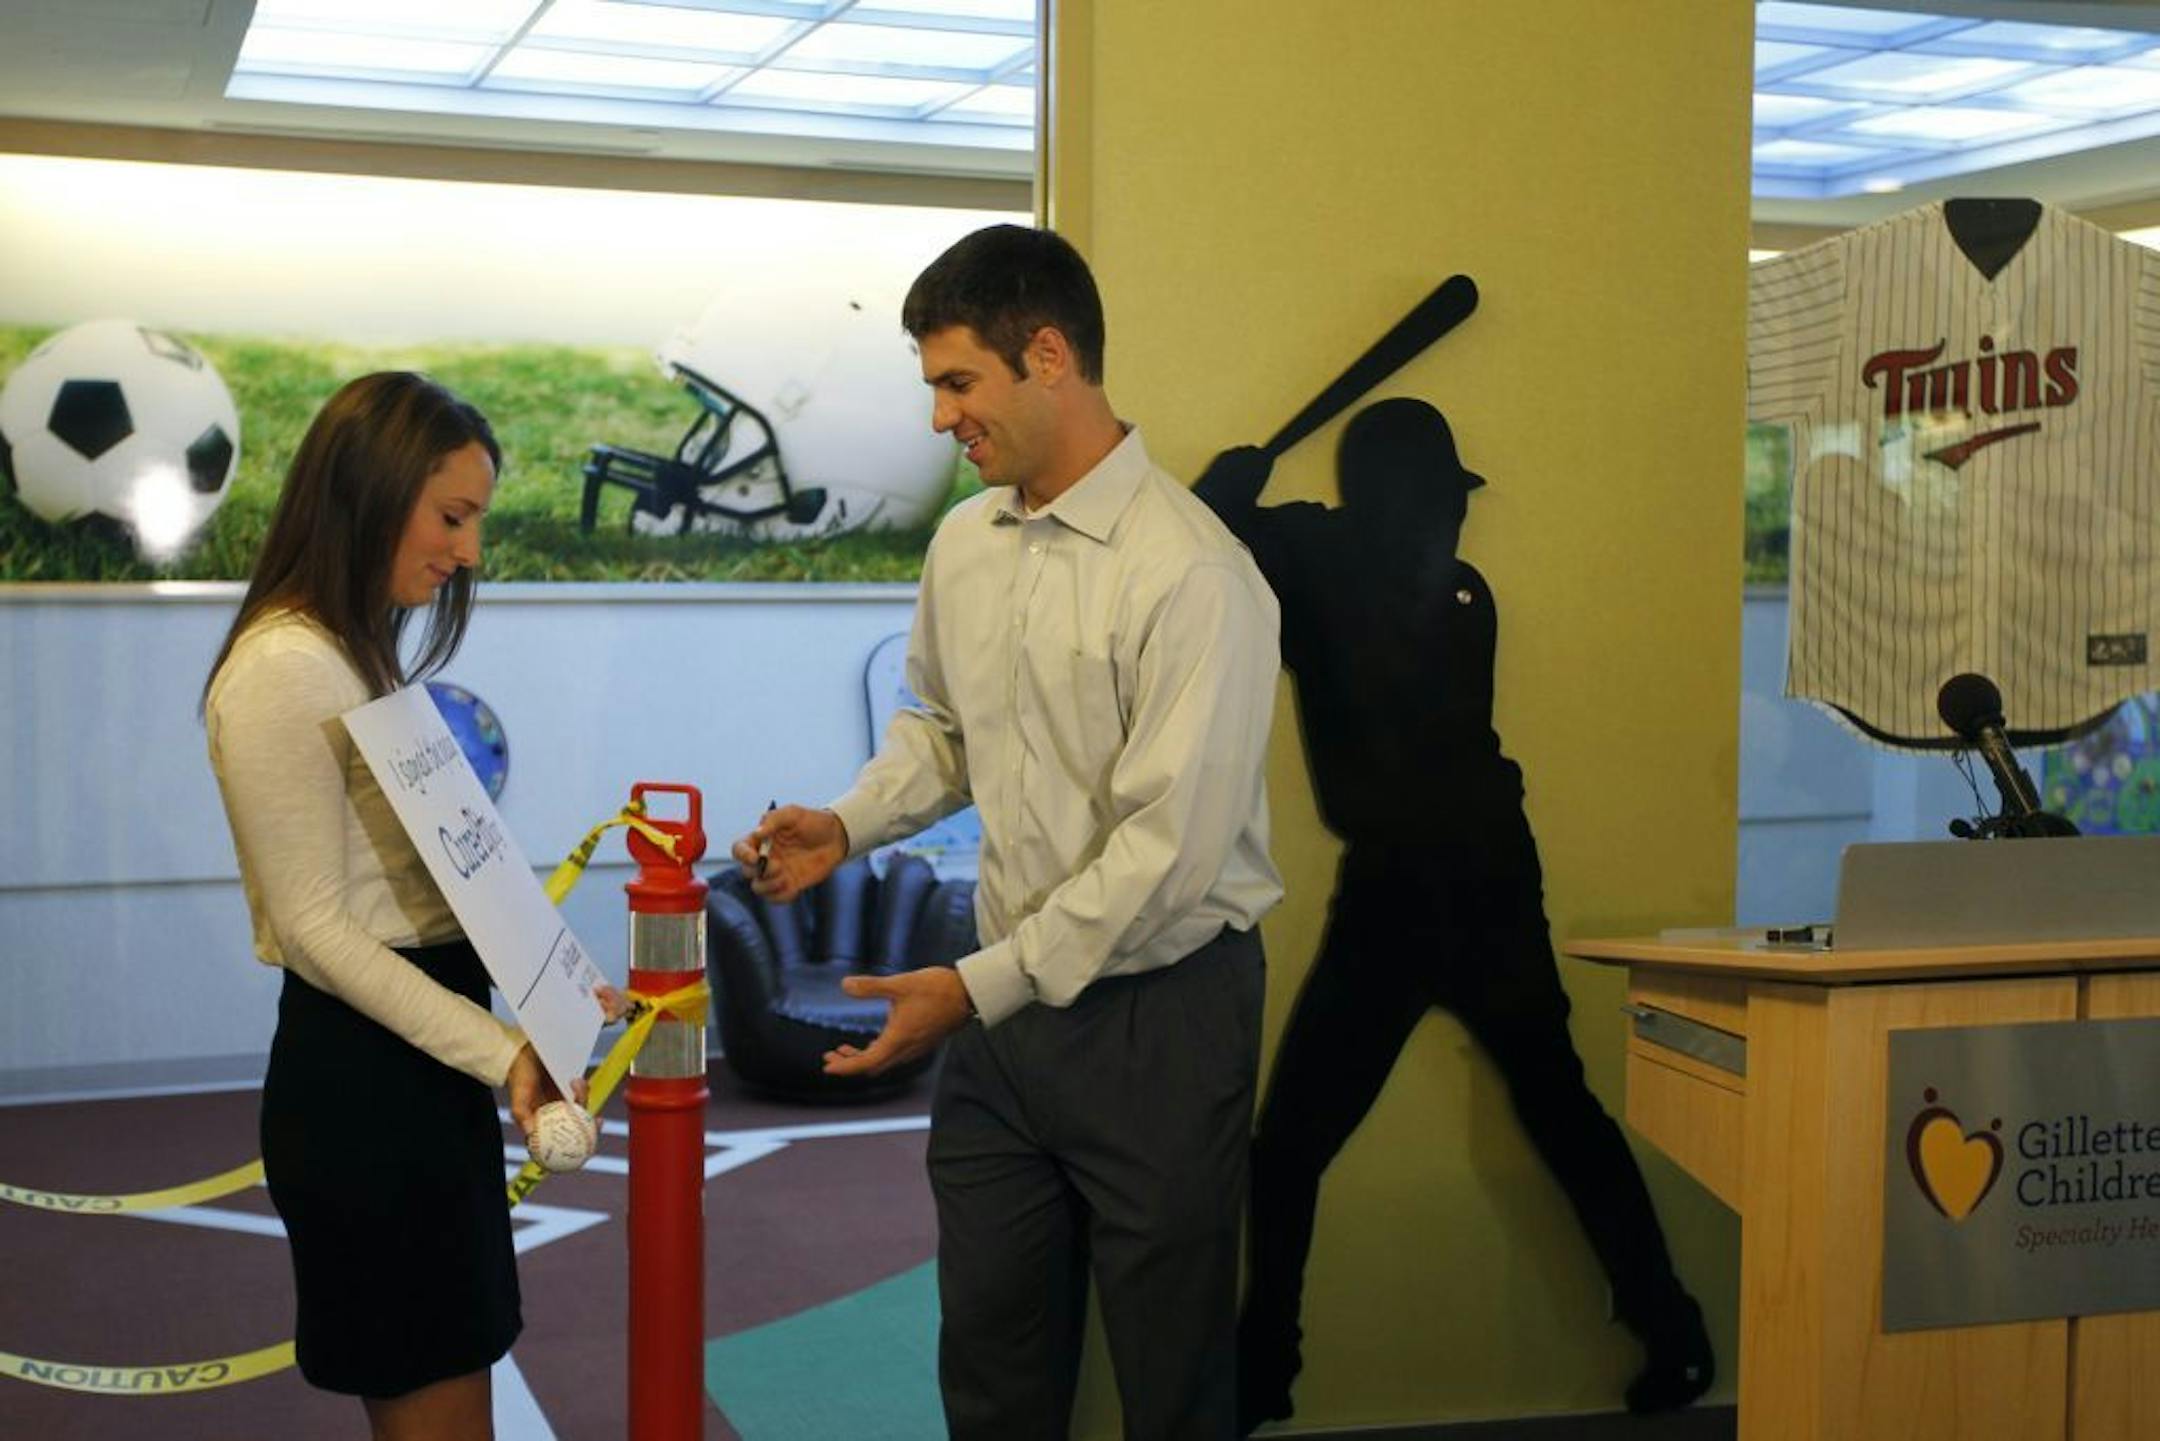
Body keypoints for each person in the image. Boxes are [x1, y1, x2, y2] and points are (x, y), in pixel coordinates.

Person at [733, 224, 1283, 1440]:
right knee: (991, 1355)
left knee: (1172, 1375)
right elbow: (942, 728)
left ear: (1048, 356)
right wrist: (846, 825)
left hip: (1163, 1017)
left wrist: (971, 988)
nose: (940, 419)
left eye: (957, 382)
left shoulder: (1197, 576)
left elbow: (1166, 854)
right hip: (1002, 1014)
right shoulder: (965, 544)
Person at [1195, 399, 1715, 1433]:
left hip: (1449, 885)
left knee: (1321, 1139)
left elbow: (1219, 535)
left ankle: (1267, 1364)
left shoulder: (1389, 582)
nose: (1456, 513)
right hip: (1448, 881)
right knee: (1314, 1140)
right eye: (1440, 494)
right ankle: (1673, 1329)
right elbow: (1221, 555)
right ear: (1401, 499)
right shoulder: (1391, 578)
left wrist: (1233, 483)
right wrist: (1240, 501)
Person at [203, 372, 595, 1441]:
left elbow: (437, 877)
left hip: (417, 1073)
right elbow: (317, 929)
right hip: (369, 1089)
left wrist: (550, 982)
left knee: (457, 1373)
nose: (470, 552)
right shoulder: (286, 667)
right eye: (453, 517)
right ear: (370, 492)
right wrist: (503, 1052)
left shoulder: (349, 653)